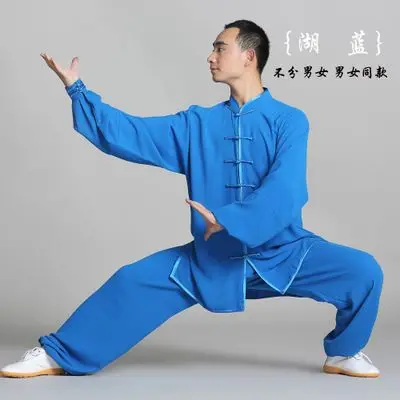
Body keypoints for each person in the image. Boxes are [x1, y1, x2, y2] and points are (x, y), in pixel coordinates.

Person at [1, 19, 383, 379]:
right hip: (212, 257)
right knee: (132, 281)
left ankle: (344, 352)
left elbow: (286, 188)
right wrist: (77, 90)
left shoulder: (289, 120)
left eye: (220, 48)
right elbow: (131, 133)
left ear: (249, 56)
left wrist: (229, 220)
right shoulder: (196, 123)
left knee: (364, 272)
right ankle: (58, 354)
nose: (211, 57)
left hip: (285, 253)